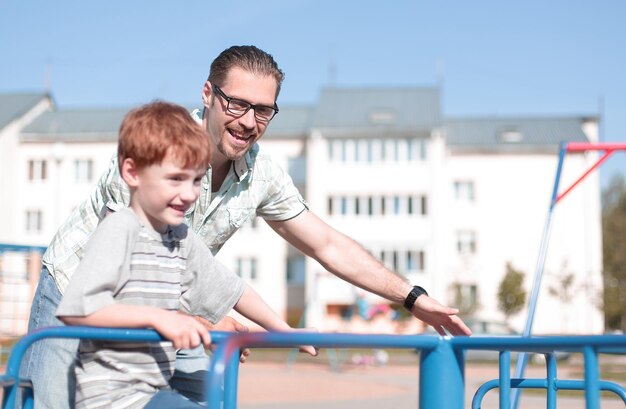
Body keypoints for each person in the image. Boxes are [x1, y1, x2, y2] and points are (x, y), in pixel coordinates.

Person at [23, 44, 471, 409]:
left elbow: (325, 246)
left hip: (170, 307)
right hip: (79, 290)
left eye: (263, 110)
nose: (248, 122)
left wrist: (410, 298)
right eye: (237, 103)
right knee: (56, 402)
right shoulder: (157, 149)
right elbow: (138, 260)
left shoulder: (260, 173)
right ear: (208, 94)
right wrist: (212, 317)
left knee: (207, 395)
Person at [56, 101, 316, 409]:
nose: (189, 193)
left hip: (152, 390)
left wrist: (285, 331)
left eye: (195, 180)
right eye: (176, 179)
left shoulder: (179, 238)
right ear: (132, 172)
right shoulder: (119, 228)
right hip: (113, 397)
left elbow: (232, 289)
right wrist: (162, 320)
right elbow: (77, 308)